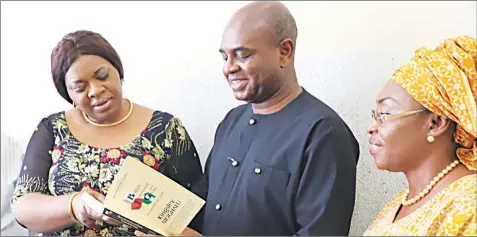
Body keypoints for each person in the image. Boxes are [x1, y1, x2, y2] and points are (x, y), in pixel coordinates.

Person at [137, 1, 360, 236]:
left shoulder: (323, 133)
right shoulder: (232, 122)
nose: (229, 68)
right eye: (225, 58)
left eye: (242, 55)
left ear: (285, 51)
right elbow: (202, 205)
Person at [10, 30, 207, 236]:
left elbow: (197, 213)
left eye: (102, 76)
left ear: (118, 72)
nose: (95, 90)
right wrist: (74, 205)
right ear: (67, 93)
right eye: (80, 87)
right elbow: (23, 207)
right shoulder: (53, 129)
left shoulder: (165, 129)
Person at [364, 36, 476, 236]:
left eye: (385, 114)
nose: (371, 127)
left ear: (436, 123)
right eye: (375, 114)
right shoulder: (397, 204)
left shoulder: (468, 204)